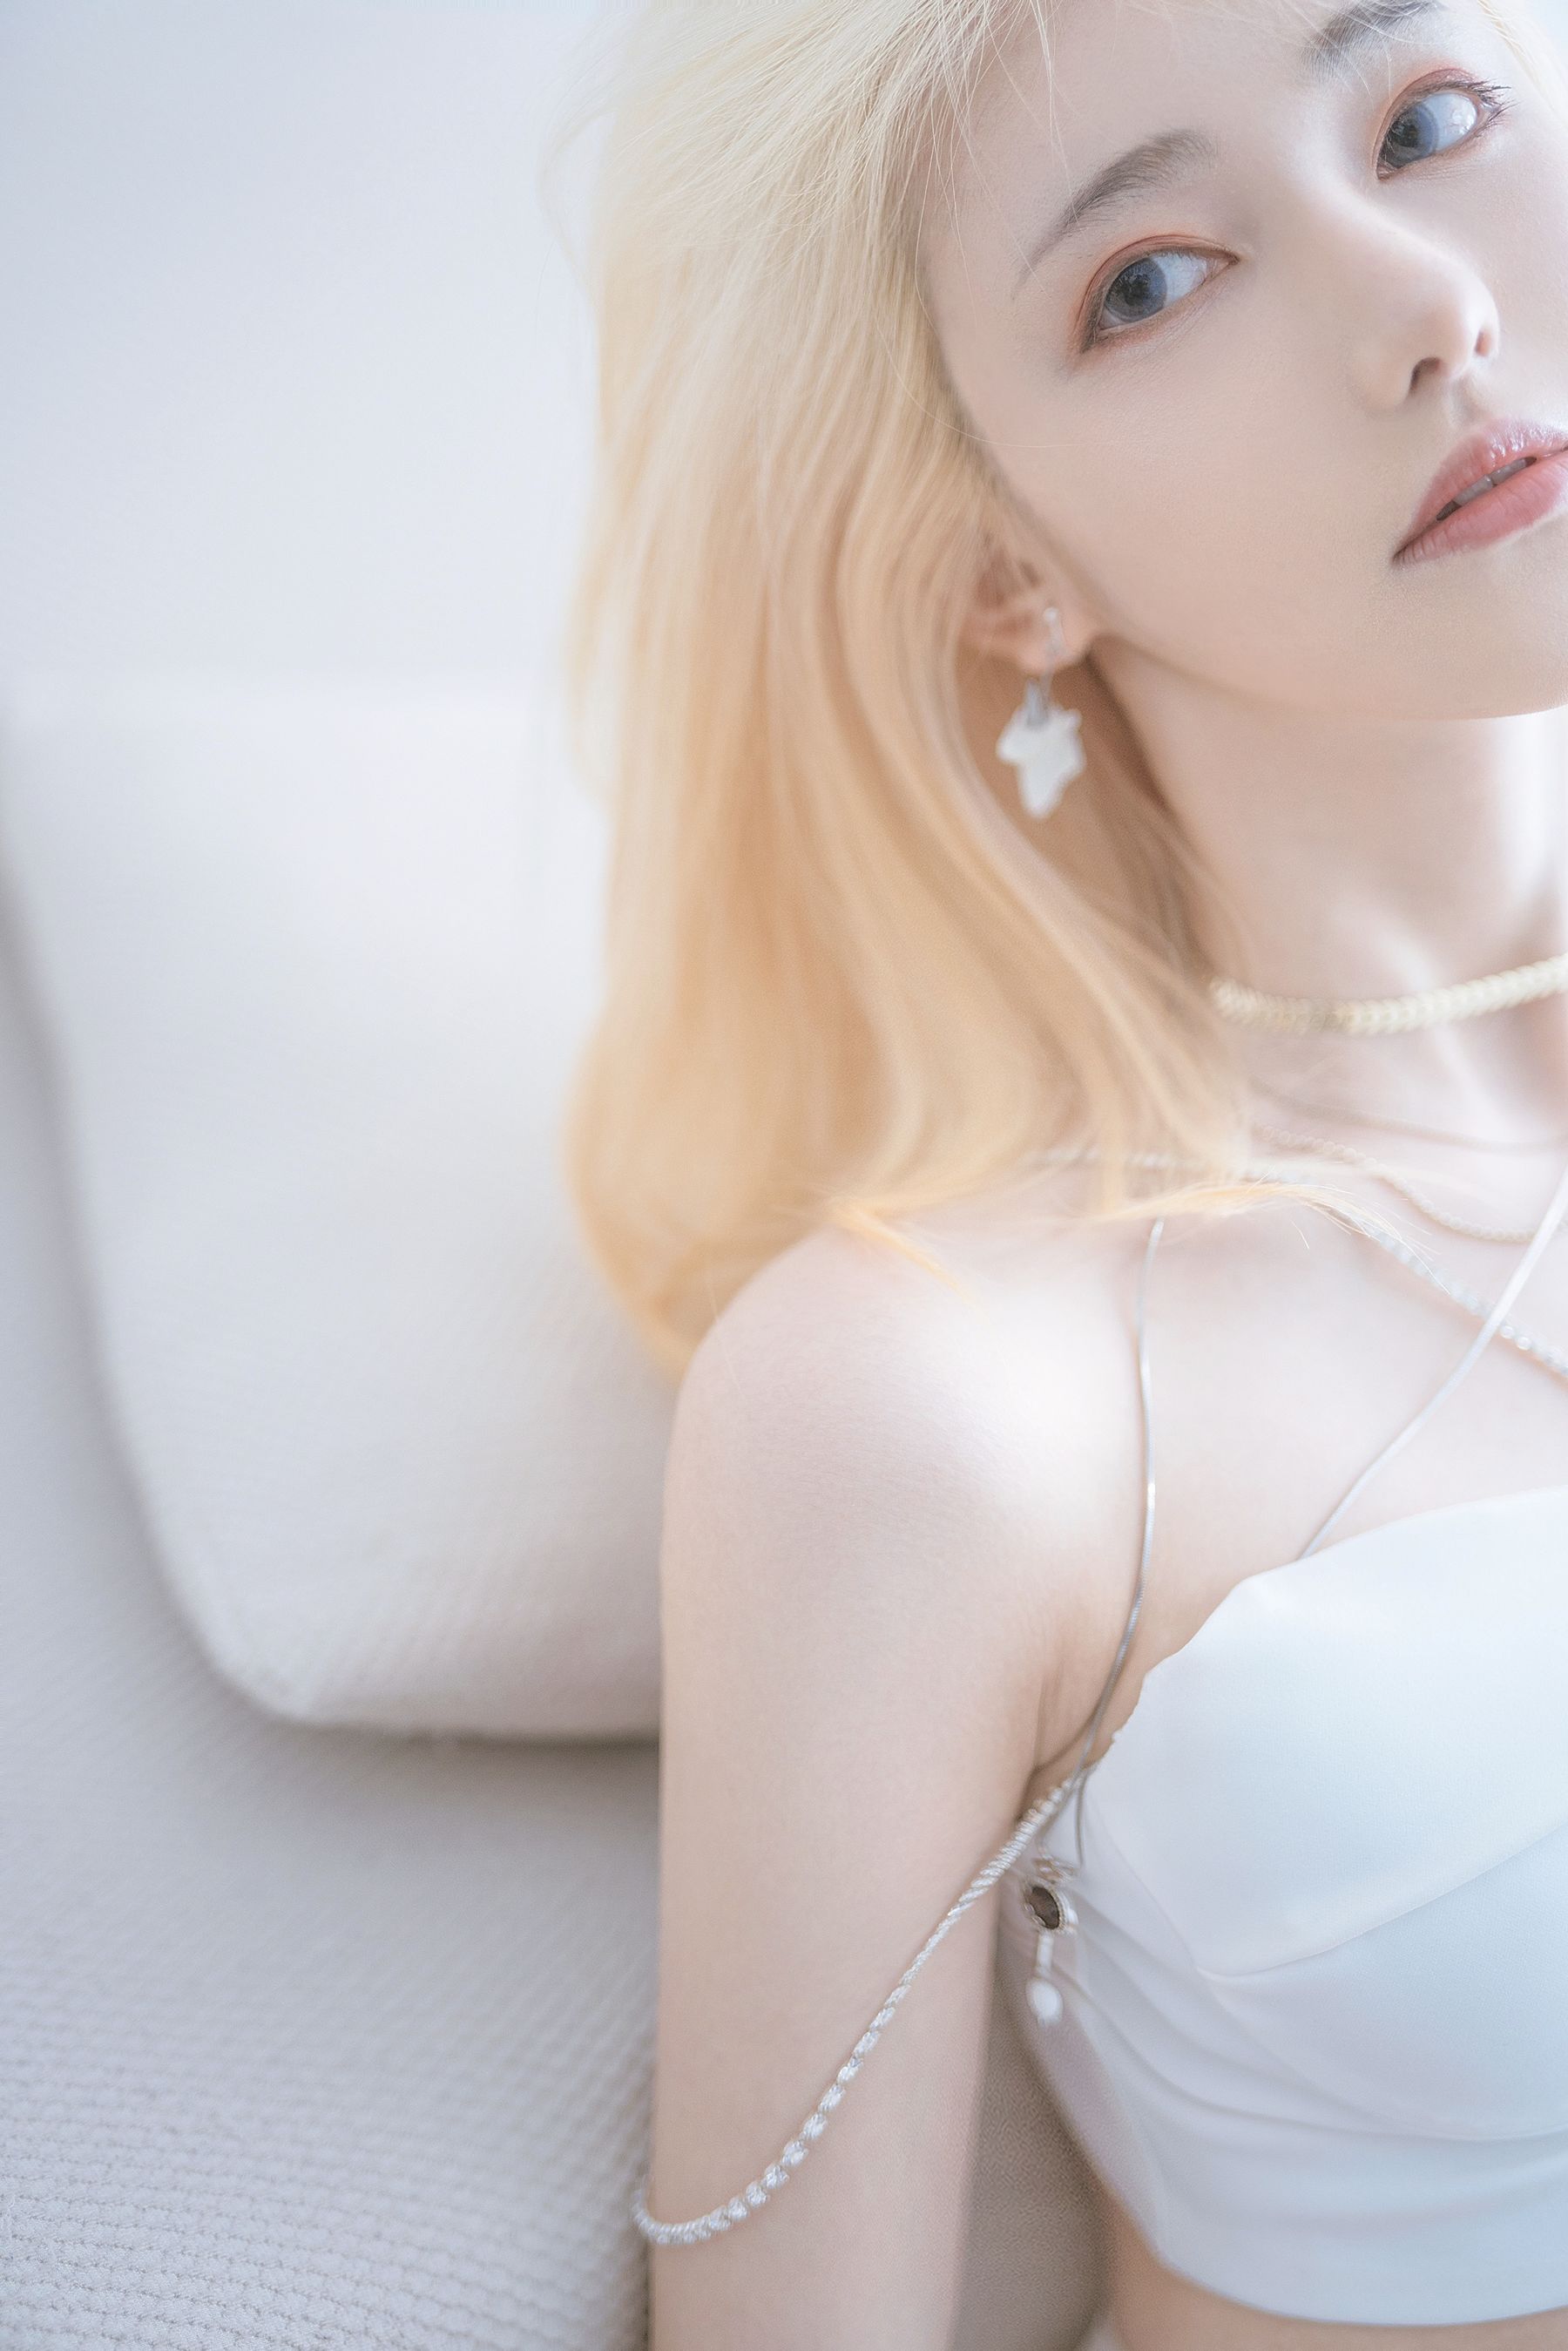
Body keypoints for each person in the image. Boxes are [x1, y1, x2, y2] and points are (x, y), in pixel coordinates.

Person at [547, 0, 1568, 2341]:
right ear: (1004, 569)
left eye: (1425, 118)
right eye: (1152, 281)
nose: (1427, 305)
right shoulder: (936, 1391)